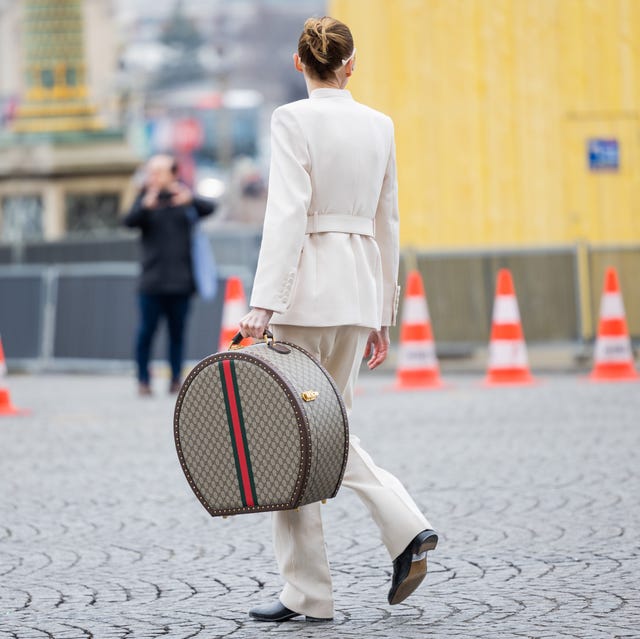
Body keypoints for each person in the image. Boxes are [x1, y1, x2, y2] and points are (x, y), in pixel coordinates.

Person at [239, 16, 438, 622]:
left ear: (300, 64)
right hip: (354, 294)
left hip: (303, 295)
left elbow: (287, 215)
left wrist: (262, 302)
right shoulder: (379, 126)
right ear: (351, 64)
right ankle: (386, 540)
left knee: (290, 437)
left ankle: (317, 588)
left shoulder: (291, 120)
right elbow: (388, 222)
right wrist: (383, 311)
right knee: (330, 429)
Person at [123, 154, 216, 396]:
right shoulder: (145, 200)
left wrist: (190, 199)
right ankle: (143, 379)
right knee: (146, 332)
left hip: (181, 282)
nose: (153, 176)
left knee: (177, 335)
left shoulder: (183, 199)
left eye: (159, 171)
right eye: (151, 171)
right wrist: (145, 205)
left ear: (173, 174)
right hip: (151, 282)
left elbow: (210, 208)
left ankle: (176, 379)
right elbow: (128, 221)